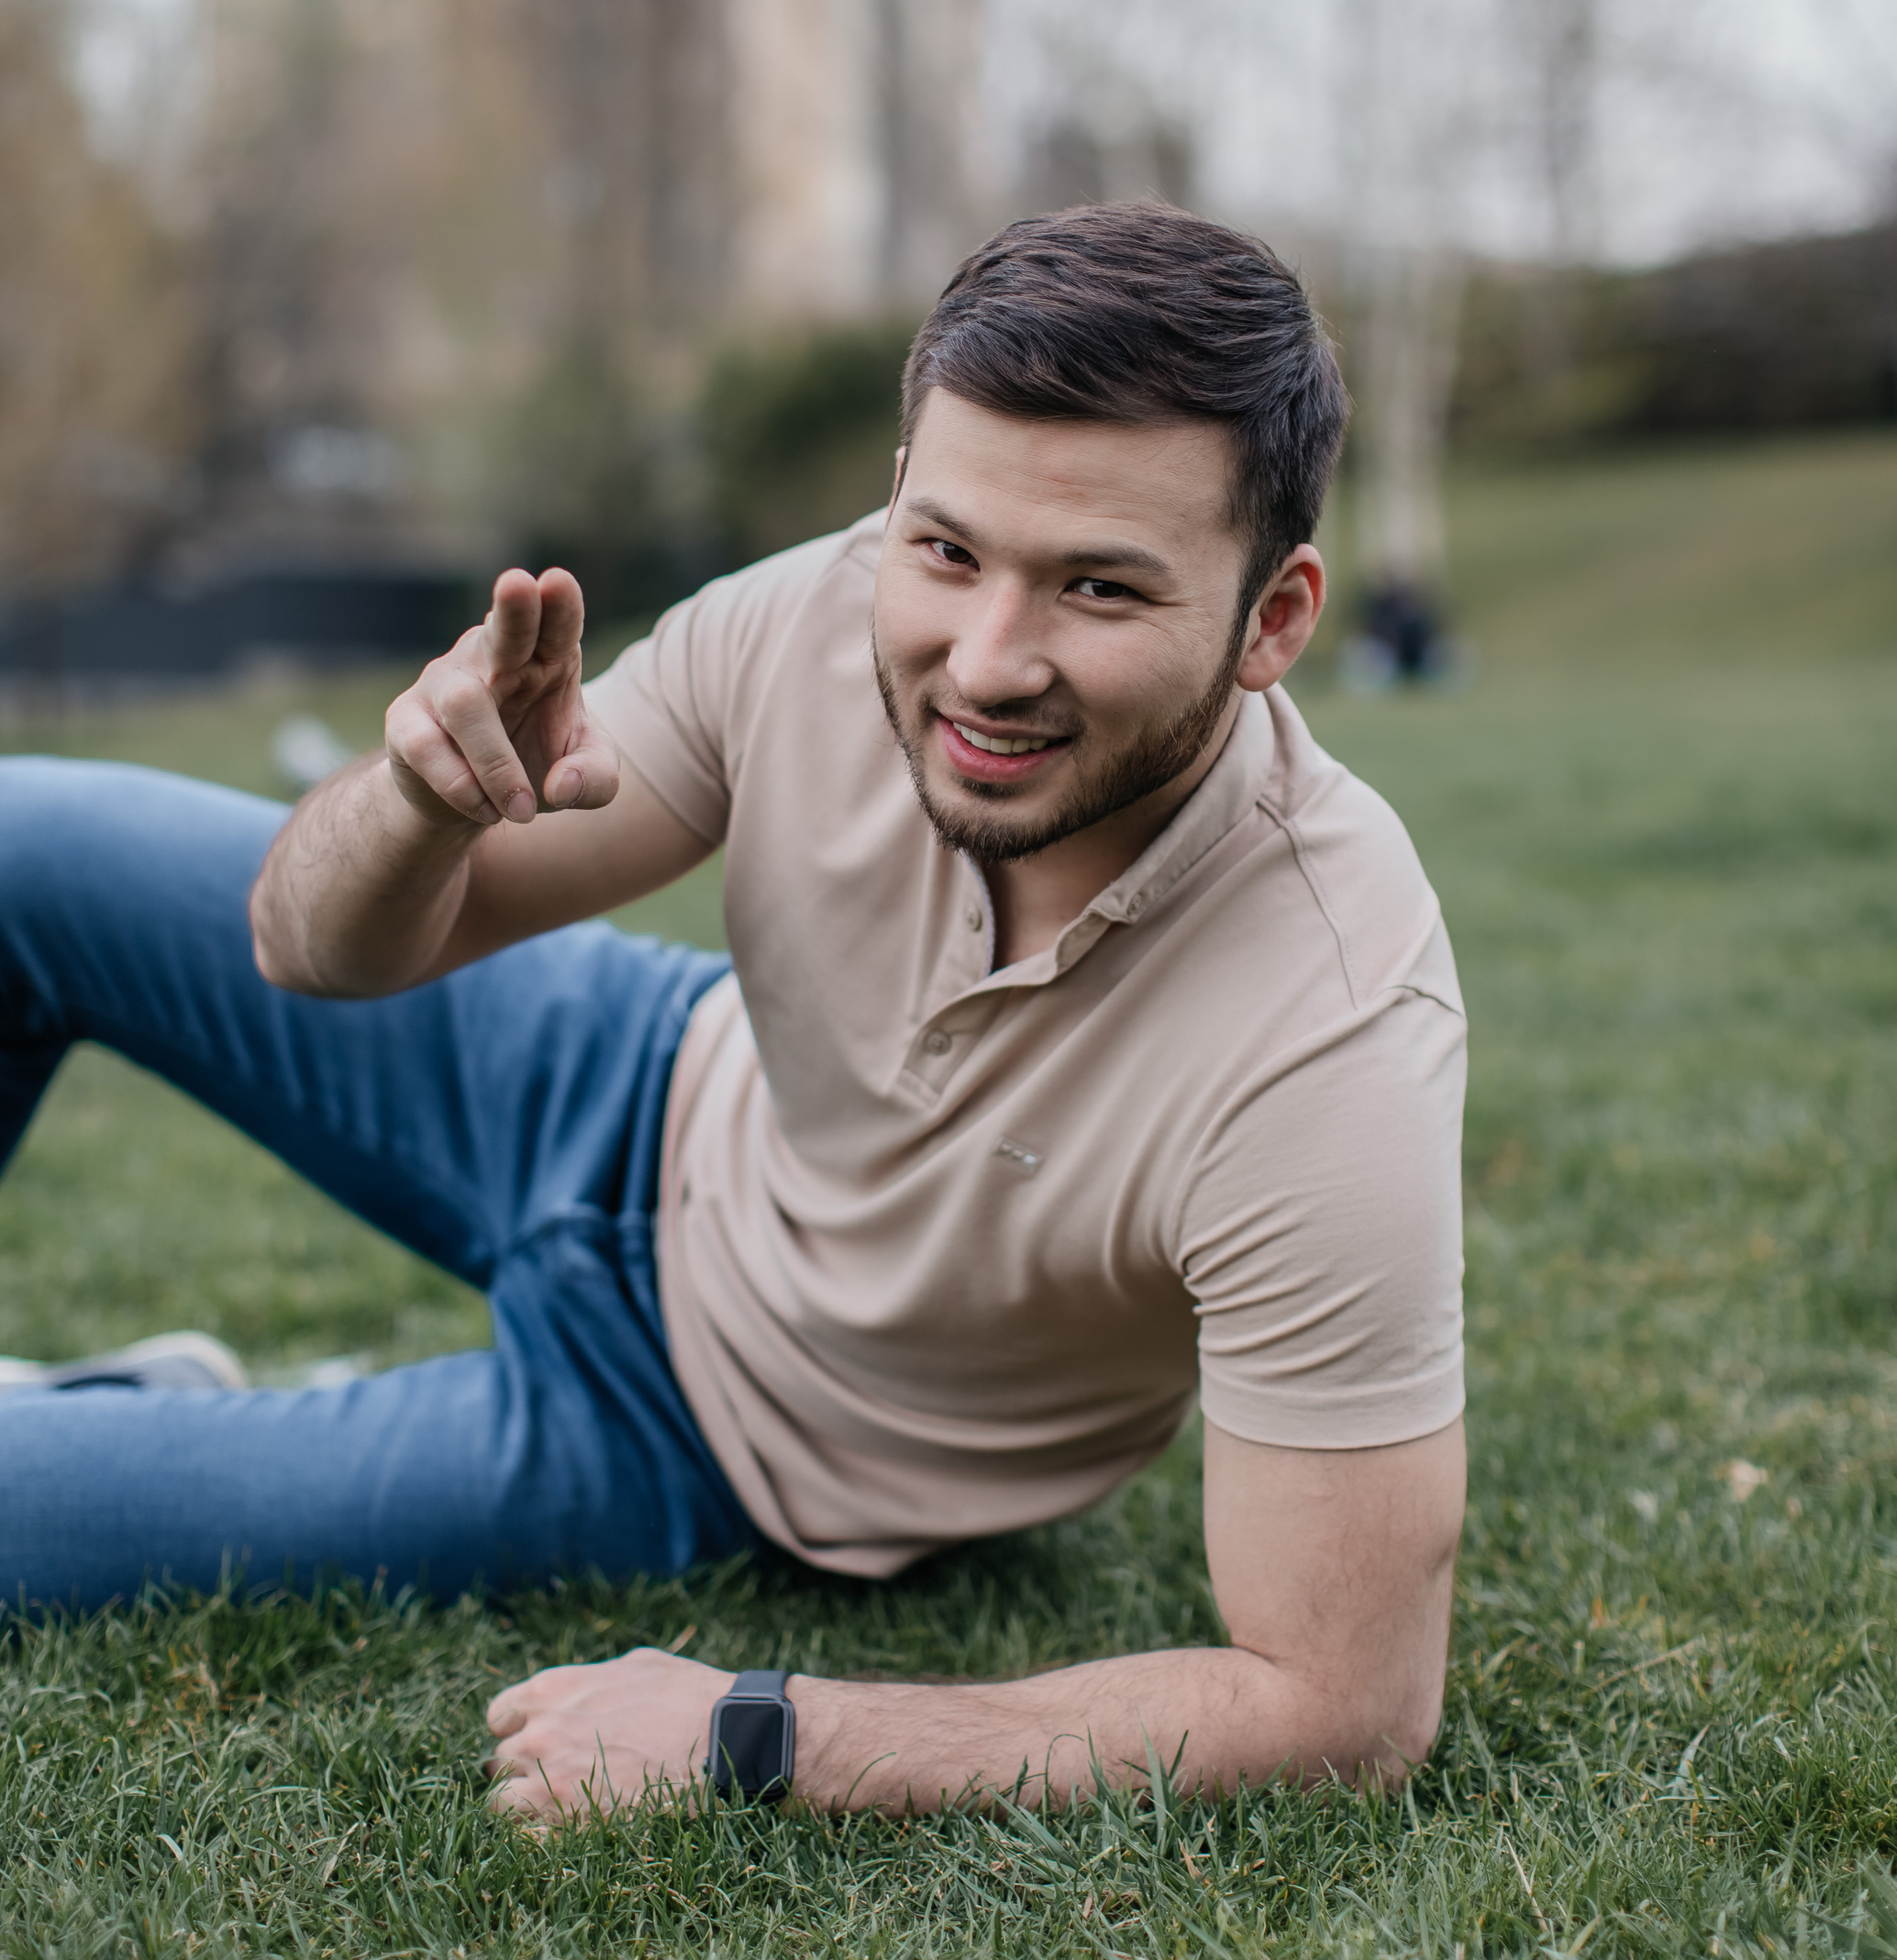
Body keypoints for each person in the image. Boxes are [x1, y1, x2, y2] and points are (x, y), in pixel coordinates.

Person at [0, 205, 1465, 1819]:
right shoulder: (813, 614)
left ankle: (109, 1433)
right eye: (946, 550)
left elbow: (1343, 1708)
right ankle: (130, 1417)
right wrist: (416, 798)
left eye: (1099, 590)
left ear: (1272, 618)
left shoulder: (1330, 1030)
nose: (983, 660)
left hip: (691, 1429)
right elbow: (313, 953)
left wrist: (758, 1735)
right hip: (627, 1070)